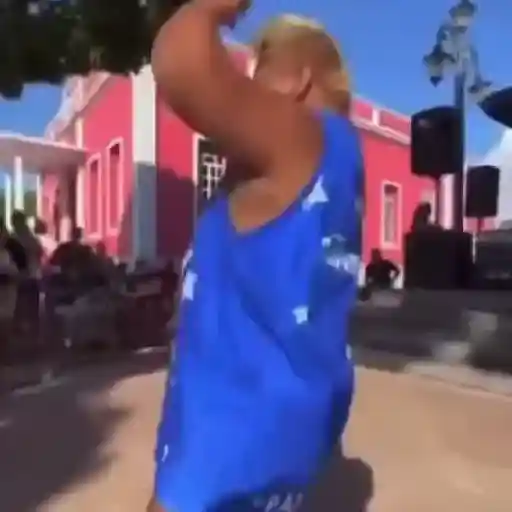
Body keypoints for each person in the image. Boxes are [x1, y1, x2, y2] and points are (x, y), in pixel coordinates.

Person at [148, 2, 362, 511]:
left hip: (224, 441)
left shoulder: (300, 136)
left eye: (257, 73)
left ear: (297, 81)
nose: (243, 89)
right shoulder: (340, 162)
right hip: (281, 431)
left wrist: (219, 7)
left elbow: (180, 60)